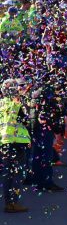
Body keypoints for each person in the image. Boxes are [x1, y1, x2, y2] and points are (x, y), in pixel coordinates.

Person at [0, 79, 31, 213]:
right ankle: (13, 202)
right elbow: (25, 122)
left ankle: (9, 202)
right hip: (16, 143)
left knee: (7, 174)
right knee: (17, 174)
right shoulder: (16, 104)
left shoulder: (1, 103)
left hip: (3, 143)